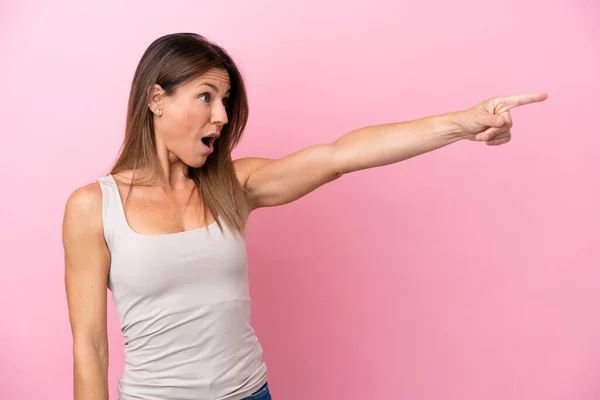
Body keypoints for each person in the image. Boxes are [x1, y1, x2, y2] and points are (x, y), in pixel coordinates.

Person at [62, 32, 547, 400]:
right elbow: (91, 346)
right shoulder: (93, 207)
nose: (222, 117)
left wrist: (462, 124)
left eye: (226, 102)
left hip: (250, 391)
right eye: (206, 96)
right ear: (155, 99)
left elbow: (340, 155)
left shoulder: (232, 185)